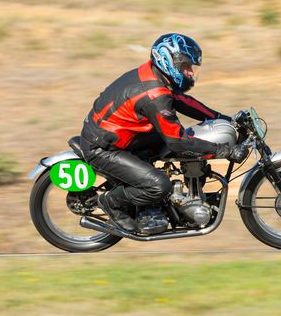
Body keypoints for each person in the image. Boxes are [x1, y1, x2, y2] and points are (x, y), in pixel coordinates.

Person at [80, 33, 248, 231]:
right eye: (186, 67)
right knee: (160, 185)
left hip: (122, 136)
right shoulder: (155, 95)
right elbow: (177, 141)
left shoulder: (155, 75)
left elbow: (184, 102)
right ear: (169, 61)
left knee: (182, 145)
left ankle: (151, 206)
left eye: (191, 68)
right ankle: (110, 202)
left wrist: (226, 119)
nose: (190, 73)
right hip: (103, 148)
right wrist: (224, 151)